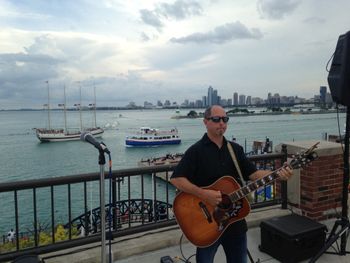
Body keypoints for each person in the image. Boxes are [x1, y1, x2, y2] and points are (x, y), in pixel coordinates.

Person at [170, 105, 292, 263]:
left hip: (235, 221)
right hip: (207, 226)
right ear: (205, 122)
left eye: (225, 119)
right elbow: (176, 179)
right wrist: (204, 194)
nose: (221, 123)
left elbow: (254, 175)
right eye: (216, 119)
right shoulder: (196, 151)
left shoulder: (235, 149)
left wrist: (278, 174)